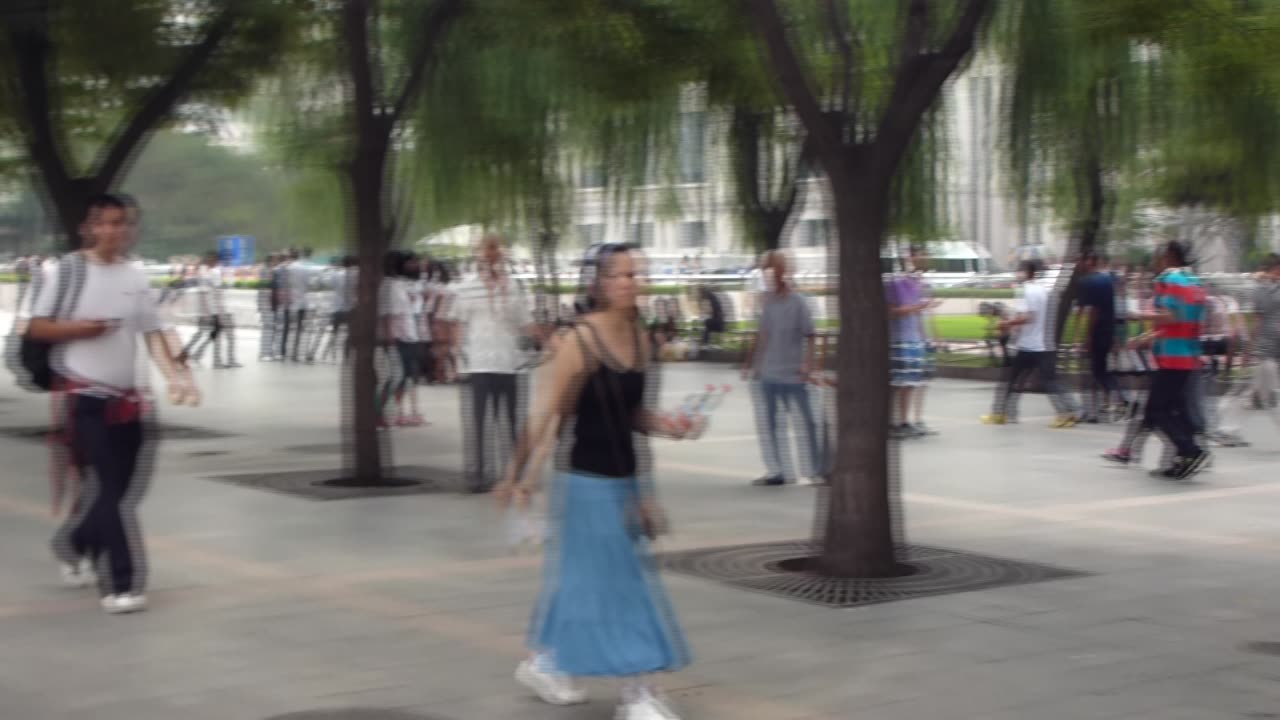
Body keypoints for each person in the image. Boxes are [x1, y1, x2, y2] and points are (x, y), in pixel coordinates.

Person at [495, 242, 699, 720]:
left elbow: (632, 415)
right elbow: (545, 415)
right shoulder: (579, 342)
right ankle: (636, 693)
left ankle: (546, 662)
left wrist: (666, 427)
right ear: (602, 283)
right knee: (621, 583)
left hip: (624, 479)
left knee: (585, 581)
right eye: (623, 275)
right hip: (584, 481)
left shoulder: (643, 337)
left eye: (637, 274)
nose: (632, 282)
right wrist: (516, 477)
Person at [29, 193, 197, 615]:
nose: (121, 231)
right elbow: (36, 326)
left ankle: (73, 542)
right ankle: (121, 583)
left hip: (129, 401)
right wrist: (80, 330)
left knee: (121, 492)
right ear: (92, 227)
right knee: (108, 491)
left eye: (128, 223)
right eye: (112, 222)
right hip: (84, 398)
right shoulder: (63, 271)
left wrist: (180, 375)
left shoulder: (135, 274)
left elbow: (155, 330)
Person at [1112, 241, 1210, 479]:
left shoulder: (1168, 280)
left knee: (1156, 410)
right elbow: (1182, 323)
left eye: (1158, 257)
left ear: (1168, 257)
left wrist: (1137, 315)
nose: (1156, 262)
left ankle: (1191, 451)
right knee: (1176, 410)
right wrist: (1146, 336)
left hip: (1171, 360)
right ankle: (1183, 457)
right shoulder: (1194, 282)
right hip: (1188, 356)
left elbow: (1170, 316)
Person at [449, 236, 536, 493]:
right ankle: (478, 474)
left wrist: (549, 339)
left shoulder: (513, 288)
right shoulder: (466, 288)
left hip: (509, 362)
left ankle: (513, 473)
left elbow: (525, 322)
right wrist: (456, 356)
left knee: (511, 419)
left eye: (495, 253)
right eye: (486, 254)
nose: (490, 259)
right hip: (478, 363)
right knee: (479, 421)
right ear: (478, 258)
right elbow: (458, 324)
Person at [742, 250, 824, 486]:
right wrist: (752, 364)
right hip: (769, 373)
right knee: (770, 423)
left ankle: (815, 470)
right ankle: (777, 471)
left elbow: (811, 335)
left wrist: (808, 364)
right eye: (765, 274)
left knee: (807, 422)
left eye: (772, 274)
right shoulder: (768, 303)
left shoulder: (798, 302)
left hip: (794, 374)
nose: (769, 279)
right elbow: (763, 334)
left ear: (782, 274)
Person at [982, 259, 1081, 427]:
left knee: (1011, 380)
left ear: (1028, 273)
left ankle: (1001, 413)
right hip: (1042, 344)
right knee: (1045, 380)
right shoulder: (1045, 291)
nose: (1017, 274)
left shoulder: (1027, 290)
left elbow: (1028, 317)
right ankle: (1068, 412)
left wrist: (1006, 324)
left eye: (1020, 271)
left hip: (1031, 345)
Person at [887, 245, 941, 438]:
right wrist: (916, 308)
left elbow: (924, 313)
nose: (923, 259)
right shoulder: (896, 284)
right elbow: (893, 311)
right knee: (899, 383)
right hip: (901, 339)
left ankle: (910, 420)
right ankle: (896, 421)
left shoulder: (923, 284)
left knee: (915, 382)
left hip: (917, 340)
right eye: (919, 255)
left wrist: (932, 337)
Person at [1075, 252, 1125, 422]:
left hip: (1097, 331)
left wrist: (1084, 336)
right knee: (1100, 369)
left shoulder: (1087, 282)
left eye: (1080, 260)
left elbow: (1089, 312)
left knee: (1096, 371)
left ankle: (1116, 400)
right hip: (1109, 330)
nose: (1078, 264)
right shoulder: (1107, 280)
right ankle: (1112, 402)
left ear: (1089, 261)